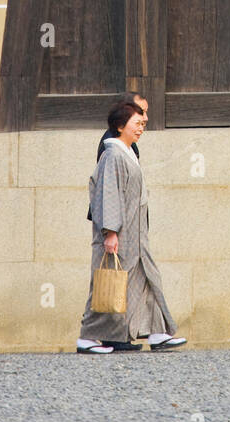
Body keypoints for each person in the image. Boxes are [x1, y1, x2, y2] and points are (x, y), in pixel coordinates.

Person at [76, 99, 186, 356]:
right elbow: (109, 194)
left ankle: (158, 332)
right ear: (119, 126)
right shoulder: (113, 154)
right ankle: (88, 336)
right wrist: (111, 232)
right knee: (109, 284)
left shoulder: (126, 152)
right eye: (136, 123)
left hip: (136, 235)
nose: (141, 128)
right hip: (120, 235)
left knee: (147, 281)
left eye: (142, 124)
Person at [87, 91, 148, 223]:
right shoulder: (112, 147)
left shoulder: (128, 143)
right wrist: (112, 232)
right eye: (141, 112)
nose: (145, 118)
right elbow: (109, 192)